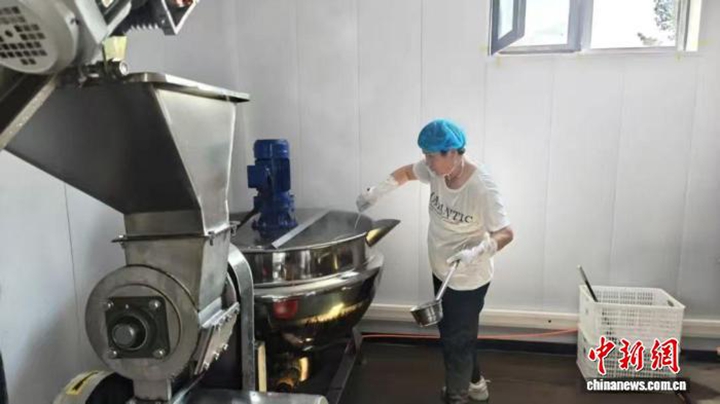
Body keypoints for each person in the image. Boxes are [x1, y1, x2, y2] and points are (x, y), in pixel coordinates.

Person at [356, 119, 514, 403]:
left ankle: (457, 395)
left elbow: (505, 233)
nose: (426, 163)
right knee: (456, 333)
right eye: (424, 155)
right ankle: (476, 384)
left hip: (468, 277)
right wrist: (376, 191)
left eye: (431, 156)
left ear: (452, 152)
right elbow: (407, 172)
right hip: (441, 269)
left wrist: (476, 253)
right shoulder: (437, 170)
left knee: (456, 340)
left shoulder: (482, 188)